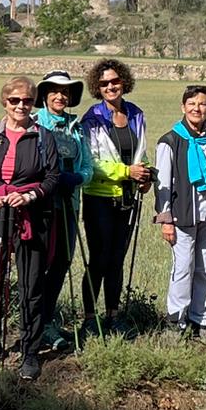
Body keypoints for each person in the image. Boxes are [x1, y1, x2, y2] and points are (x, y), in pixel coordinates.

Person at [0, 76, 59, 379]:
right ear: (4, 102)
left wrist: (30, 195)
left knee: (31, 285)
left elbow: (52, 178)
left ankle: (30, 353)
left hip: (30, 215)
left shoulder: (44, 137)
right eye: (15, 100)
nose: (21, 105)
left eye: (27, 100)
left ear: (34, 104)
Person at [78, 58, 152, 335]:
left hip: (127, 199)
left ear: (124, 82)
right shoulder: (92, 118)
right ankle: (88, 318)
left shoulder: (136, 114)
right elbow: (91, 162)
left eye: (115, 81)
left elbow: (140, 152)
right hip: (99, 197)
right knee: (99, 258)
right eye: (104, 83)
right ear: (97, 87)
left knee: (117, 258)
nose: (111, 86)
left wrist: (145, 175)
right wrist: (126, 171)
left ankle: (113, 315)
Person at [154, 85, 206, 343]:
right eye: (192, 103)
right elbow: (163, 184)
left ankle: (201, 319)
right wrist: (165, 220)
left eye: (203, 104)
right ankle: (176, 320)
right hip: (182, 217)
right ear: (183, 106)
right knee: (183, 268)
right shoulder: (171, 141)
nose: (197, 109)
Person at [34, 71, 94, 351]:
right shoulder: (34, 125)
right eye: (54, 91)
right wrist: (50, 181)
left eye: (65, 92)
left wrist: (78, 179)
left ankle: (46, 322)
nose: (60, 96)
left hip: (69, 204)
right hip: (41, 206)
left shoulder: (76, 127)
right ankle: (32, 323)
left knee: (61, 262)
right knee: (37, 264)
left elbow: (88, 166)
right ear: (45, 95)